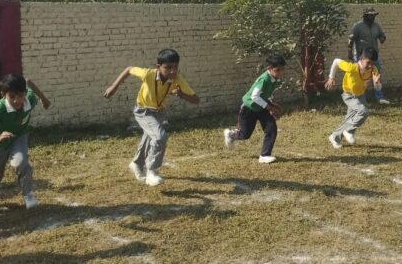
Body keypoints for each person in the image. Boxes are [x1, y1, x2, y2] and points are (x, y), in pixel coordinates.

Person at [103, 48, 200, 186]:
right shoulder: (148, 74)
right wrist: (113, 87)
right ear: (158, 67)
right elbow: (129, 69)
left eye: (175, 67)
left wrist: (182, 94)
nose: (172, 71)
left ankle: (136, 164)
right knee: (160, 137)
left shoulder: (177, 79)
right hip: (143, 111)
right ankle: (152, 171)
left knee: (149, 139)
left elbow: (196, 100)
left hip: (159, 113)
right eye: (168, 67)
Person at [0, 74, 51, 212]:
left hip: (19, 137)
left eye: (20, 95)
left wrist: (44, 100)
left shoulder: (29, 99)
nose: (17, 100)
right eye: (12, 96)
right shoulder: (0, 109)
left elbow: (30, 85)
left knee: (21, 163)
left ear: (25, 93)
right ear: (3, 95)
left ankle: (28, 194)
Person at [223, 54, 286, 163]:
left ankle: (264, 155)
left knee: (271, 128)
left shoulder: (274, 79)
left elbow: (264, 95)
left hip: (261, 108)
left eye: (282, 70)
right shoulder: (264, 79)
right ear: (269, 68)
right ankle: (230, 134)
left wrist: (271, 104)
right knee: (245, 134)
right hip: (249, 108)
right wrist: (269, 107)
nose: (280, 72)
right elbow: (255, 96)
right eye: (278, 70)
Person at [325, 47, 383, 148]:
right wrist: (331, 77)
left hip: (360, 95)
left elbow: (378, 88)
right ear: (362, 58)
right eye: (368, 62)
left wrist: (377, 82)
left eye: (373, 63)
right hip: (349, 95)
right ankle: (349, 131)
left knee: (349, 119)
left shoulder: (373, 70)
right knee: (363, 111)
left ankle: (334, 137)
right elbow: (336, 61)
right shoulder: (351, 67)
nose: (370, 66)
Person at [348, 7, 390, 104]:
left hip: (374, 56)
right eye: (370, 15)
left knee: (377, 76)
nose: (372, 17)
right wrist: (349, 53)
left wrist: (382, 38)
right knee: (360, 78)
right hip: (361, 57)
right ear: (365, 16)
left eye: (373, 15)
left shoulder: (376, 26)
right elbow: (351, 40)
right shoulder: (358, 26)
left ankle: (379, 97)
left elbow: (381, 35)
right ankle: (361, 98)